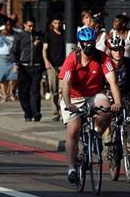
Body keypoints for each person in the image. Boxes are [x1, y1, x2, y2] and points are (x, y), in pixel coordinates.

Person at [59, 26, 121, 183]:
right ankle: (72, 169)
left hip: (94, 94)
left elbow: (112, 81)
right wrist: (68, 103)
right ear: (80, 43)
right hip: (73, 97)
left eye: (92, 42)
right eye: (85, 43)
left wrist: (118, 102)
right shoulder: (72, 58)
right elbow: (65, 83)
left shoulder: (102, 58)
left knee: (106, 111)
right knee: (73, 130)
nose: (89, 46)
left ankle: (95, 136)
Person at [11, 16, 44, 122]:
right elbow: (14, 51)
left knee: (35, 91)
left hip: (36, 66)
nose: (31, 28)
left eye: (33, 26)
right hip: (23, 67)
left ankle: (36, 112)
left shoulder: (39, 36)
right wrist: (15, 63)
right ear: (24, 25)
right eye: (29, 26)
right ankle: (27, 112)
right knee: (23, 92)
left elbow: (44, 49)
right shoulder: (19, 36)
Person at [42, 16, 65, 121]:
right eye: (55, 23)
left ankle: (62, 112)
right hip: (52, 66)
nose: (58, 25)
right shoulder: (48, 34)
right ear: (52, 23)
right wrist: (46, 61)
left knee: (62, 90)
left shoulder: (65, 34)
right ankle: (55, 109)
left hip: (63, 65)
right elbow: (44, 49)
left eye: (59, 23)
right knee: (54, 89)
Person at [0, 18, 18, 102]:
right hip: (2, 57)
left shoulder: (15, 34)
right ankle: (5, 95)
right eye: (7, 25)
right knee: (3, 77)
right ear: (4, 25)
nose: (9, 27)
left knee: (14, 76)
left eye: (10, 25)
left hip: (12, 56)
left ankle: (11, 92)